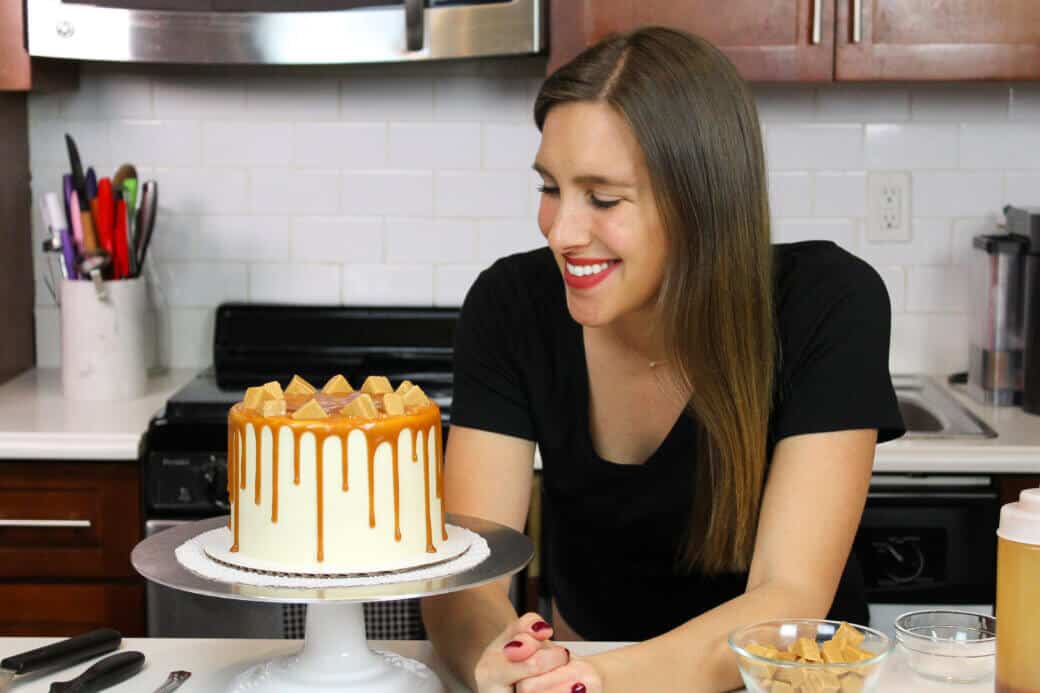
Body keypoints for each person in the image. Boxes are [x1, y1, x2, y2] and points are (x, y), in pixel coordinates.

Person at [421, 26, 904, 693]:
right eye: (550, 188)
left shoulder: (827, 302)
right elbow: (468, 573)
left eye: (603, 197)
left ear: (700, 202)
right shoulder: (510, 305)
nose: (561, 231)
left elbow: (786, 593)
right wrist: (495, 661)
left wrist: (592, 679)